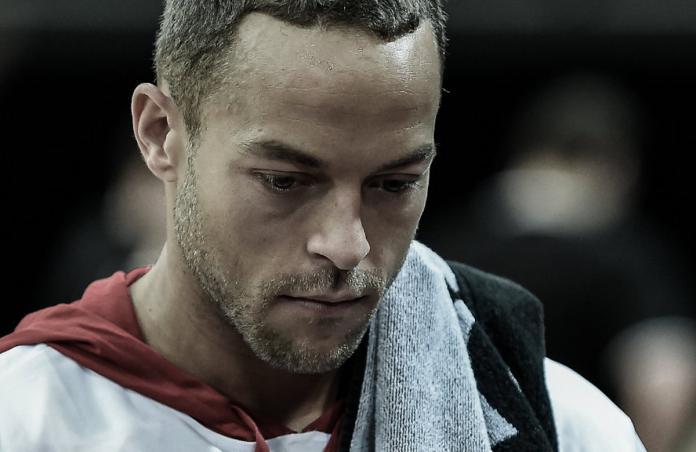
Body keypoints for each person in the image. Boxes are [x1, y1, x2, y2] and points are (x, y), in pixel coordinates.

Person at [0, 1, 645, 451]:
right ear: (160, 133)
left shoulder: (562, 426)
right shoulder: (26, 422)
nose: (347, 246)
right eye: (286, 181)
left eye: (394, 185)